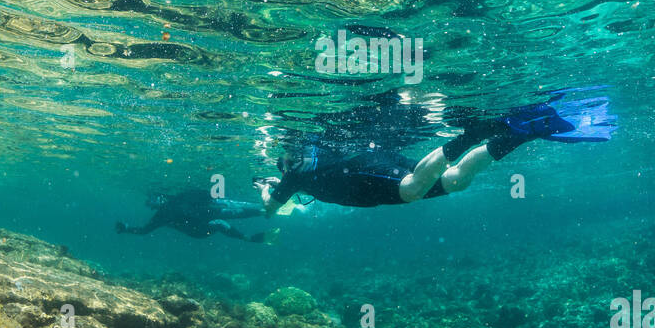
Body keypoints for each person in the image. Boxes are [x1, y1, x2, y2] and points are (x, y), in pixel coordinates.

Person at [255, 89, 615, 212]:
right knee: (457, 182)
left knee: (413, 189)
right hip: (372, 178)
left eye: (290, 157)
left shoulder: (290, 180)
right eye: (287, 159)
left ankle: (467, 137)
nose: (293, 160)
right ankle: (525, 131)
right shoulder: (295, 176)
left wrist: (266, 190)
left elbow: (269, 212)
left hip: (365, 173)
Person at [116, 189, 271, 242]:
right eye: (152, 201)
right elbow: (144, 231)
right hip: (197, 231)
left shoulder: (177, 198)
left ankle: (263, 210)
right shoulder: (161, 215)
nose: (155, 200)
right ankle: (248, 238)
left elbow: (203, 196)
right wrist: (126, 228)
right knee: (219, 222)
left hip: (202, 217)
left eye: (154, 197)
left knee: (223, 207)